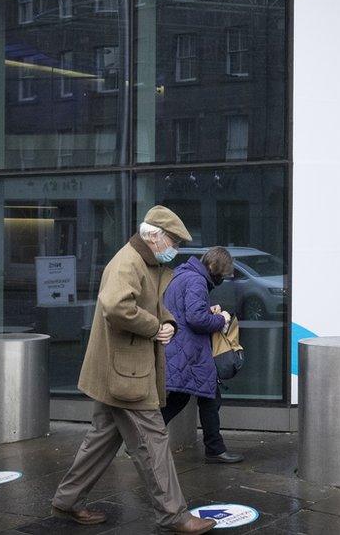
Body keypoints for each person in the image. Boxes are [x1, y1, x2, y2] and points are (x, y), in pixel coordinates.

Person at [50, 206, 215, 535]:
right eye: (173, 241)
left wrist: (165, 321)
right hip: (126, 374)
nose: (176, 249)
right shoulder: (129, 262)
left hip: (122, 370)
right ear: (154, 236)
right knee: (152, 441)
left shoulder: (145, 261)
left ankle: (66, 501)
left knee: (101, 439)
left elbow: (150, 304)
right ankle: (174, 515)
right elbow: (116, 306)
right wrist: (155, 327)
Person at [161, 246, 242, 464]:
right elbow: (196, 320)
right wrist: (222, 319)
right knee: (207, 398)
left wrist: (208, 310)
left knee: (184, 397)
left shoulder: (182, 274)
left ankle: (145, 437)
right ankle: (214, 449)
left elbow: (185, 311)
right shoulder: (196, 281)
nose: (222, 279)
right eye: (222, 274)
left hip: (182, 349)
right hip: (190, 351)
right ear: (214, 268)